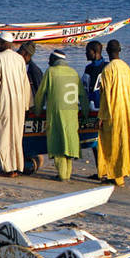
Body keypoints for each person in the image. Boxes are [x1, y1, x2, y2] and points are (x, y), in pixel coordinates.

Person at [0, 31, 32, 177]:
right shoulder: (19, 59)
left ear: (4, 43)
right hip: (19, 103)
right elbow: (25, 84)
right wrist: (27, 104)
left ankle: (8, 169)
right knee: (16, 134)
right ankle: (17, 166)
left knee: (4, 135)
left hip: (4, 102)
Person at [31, 50, 87, 182]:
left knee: (58, 142)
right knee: (69, 141)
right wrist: (85, 113)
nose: (48, 61)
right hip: (72, 113)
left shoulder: (50, 72)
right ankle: (67, 173)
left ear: (54, 59)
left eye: (50, 58)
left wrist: (37, 112)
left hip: (56, 113)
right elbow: (83, 96)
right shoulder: (73, 73)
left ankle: (62, 175)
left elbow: (40, 95)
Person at [96, 39, 130, 186]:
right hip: (125, 110)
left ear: (107, 52)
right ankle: (121, 172)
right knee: (123, 143)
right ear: (119, 51)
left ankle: (114, 175)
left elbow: (105, 95)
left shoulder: (108, 70)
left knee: (111, 144)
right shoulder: (127, 68)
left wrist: (101, 116)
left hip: (112, 112)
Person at [82, 40, 108, 115]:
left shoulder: (106, 67)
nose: (86, 53)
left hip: (101, 105)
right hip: (90, 104)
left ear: (95, 52)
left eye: (88, 51)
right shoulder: (88, 68)